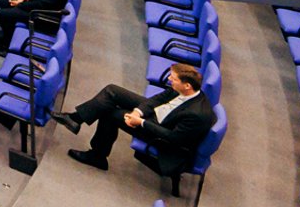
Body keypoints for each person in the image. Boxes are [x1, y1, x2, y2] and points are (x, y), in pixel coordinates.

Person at [55, 61, 215, 176]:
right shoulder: (183, 89)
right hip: (159, 115)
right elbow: (158, 99)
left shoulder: (197, 114)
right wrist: (138, 111)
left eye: (173, 78)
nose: (169, 80)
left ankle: (98, 156)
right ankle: (75, 119)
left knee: (110, 113)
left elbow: (172, 138)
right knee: (112, 91)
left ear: (187, 85)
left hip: (163, 136)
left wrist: (141, 122)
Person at [0, 0, 74, 54]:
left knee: (2, 14)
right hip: (33, 2)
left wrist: (19, 5)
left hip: (40, 16)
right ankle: (8, 31)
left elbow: (42, 5)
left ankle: (7, 44)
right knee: (3, 2)